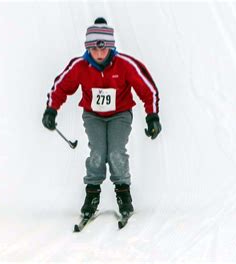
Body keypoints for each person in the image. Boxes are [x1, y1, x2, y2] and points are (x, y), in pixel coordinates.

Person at [42, 17, 161, 218]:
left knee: (115, 152)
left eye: (103, 49)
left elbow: (147, 89)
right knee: (97, 152)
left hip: (120, 115)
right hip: (93, 116)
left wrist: (152, 116)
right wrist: (51, 110)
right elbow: (61, 87)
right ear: (88, 48)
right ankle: (92, 195)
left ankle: (123, 192)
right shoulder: (79, 66)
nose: (98, 54)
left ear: (111, 47)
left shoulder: (125, 64)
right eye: (94, 50)